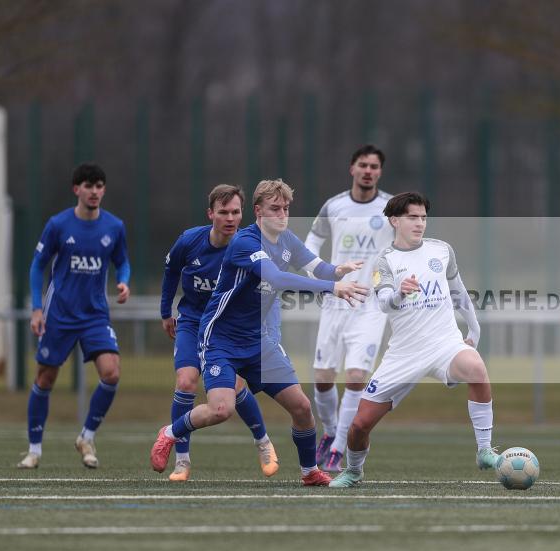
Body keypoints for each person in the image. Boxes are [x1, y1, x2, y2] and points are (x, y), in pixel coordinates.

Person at [150, 179, 367, 486]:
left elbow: (316, 266)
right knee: (220, 410)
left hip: (258, 341)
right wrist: (333, 288)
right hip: (220, 340)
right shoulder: (245, 243)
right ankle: (170, 432)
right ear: (258, 212)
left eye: (286, 208)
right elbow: (276, 279)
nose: (282, 214)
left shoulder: (287, 240)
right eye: (274, 208)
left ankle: (309, 472)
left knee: (303, 407)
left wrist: (337, 271)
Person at [329, 191, 495, 488]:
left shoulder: (442, 250)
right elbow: (384, 304)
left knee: (477, 369)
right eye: (412, 218)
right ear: (394, 221)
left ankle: (484, 451)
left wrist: (474, 329)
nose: (419, 223)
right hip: (403, 355)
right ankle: (354, 471)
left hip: (445, 344)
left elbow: (459, 292)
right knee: (359, 425)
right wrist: (400, 292)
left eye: (423, 218)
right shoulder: (385, 261)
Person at [160, 184, 277, 482]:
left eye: (236, 212)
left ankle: (262, 441)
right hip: (191, 321)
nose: (230, 218)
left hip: (225, 327)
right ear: (210, 213)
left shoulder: (249, 248)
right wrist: (165, 312)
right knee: (186, 381)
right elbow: (171, 271)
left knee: (236, 385)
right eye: (223, 212)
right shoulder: (190, 241)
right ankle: (182, 460)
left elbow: (267, 289)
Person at [18, 163, 130, 469]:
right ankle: (34, 450)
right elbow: (36, 265)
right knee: (46, 378)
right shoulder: (58, 224)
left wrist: (123, 281)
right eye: (88, 186)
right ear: (76, 189)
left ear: (103, 190)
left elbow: (122, 262)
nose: (94, 191)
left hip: (95, 315)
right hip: (60, 314)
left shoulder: (114, 227)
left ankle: (86, 437)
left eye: (98, 186)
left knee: (112, 372)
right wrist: (37, 310)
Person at [305, 145, 394, 471]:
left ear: (380, 172)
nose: (368, 170)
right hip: (336, 299)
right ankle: (330, 434)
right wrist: (321, 274)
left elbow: (409, 242)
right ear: (352, 168)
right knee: (323, 379)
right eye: (363, 165)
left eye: (374, 166)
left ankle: (338, 448)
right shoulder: (335, 205)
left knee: (357, 376)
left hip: (370, 305)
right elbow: (311, 243)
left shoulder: (390, 207)